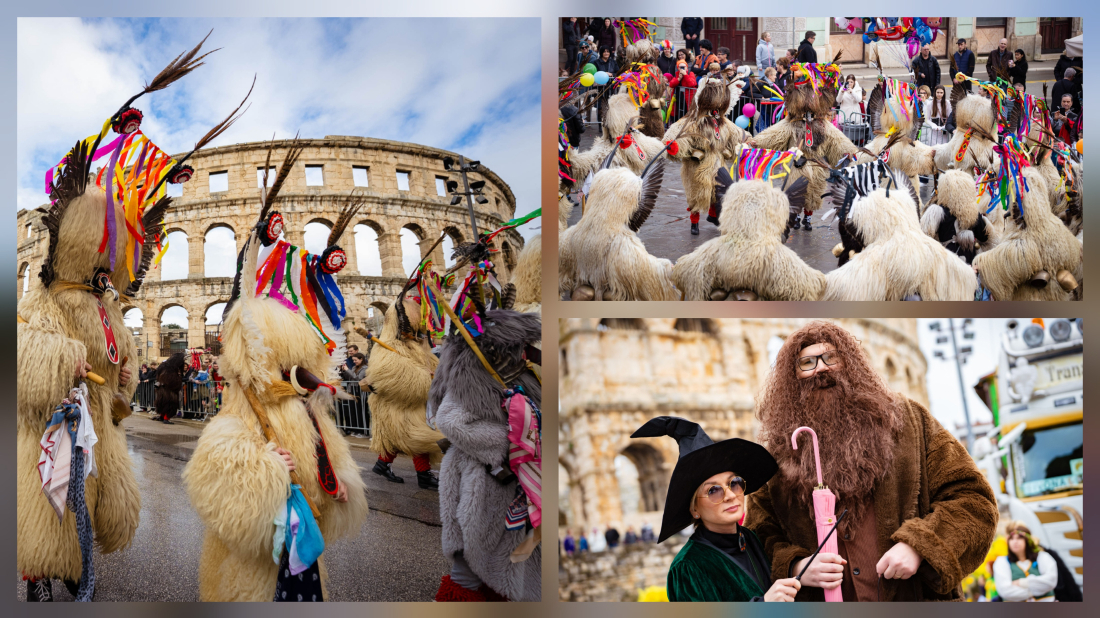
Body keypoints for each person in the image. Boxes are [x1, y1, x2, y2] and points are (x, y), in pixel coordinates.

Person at [182, 141, 367, 601]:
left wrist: (338, 482)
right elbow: (215, 480)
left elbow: (327, 450)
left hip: (303, 548)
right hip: (253, 564)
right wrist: (266, 471)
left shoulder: (306, 409)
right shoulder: (239, 416)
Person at [746, 321, 998, 601]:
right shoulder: (780, 449)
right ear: (791, 376)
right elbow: (758, 533)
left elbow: (973, 500)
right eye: (807, 363)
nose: (821, 369)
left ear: (850, 363)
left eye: (830, 357)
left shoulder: (908, 420)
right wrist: (796, 566)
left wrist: (920, 546)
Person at [631, 416, 802, 602]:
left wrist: (798, 570)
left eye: (734, 483)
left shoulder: (749, 538)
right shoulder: (687, 567)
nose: (730, 495)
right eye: (713, 490)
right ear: (694, 509)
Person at [992, 522, 1058, 602]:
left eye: (1019, 538)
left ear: (1028, 540)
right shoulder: (1002, 562)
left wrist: (1022, 583)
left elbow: (1051, 581)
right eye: (1011, 538)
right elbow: (1005, 591)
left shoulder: (1042, 556)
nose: (1015, 542)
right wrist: (1034, 591)